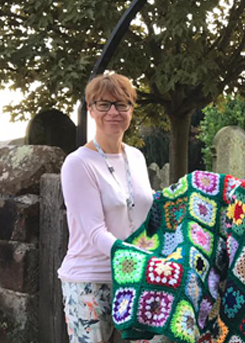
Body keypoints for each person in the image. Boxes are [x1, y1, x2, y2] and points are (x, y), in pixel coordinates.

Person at [58, 73, 168, 343]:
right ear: (91, 110)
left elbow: (146, 212)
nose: (113, 112)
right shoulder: (78, 164)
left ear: (131, 110)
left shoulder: (137, 157)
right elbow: (95, 232)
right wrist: (140, 260)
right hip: (91, 281)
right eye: (104, 104)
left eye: (122, 104)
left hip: (136, 279)